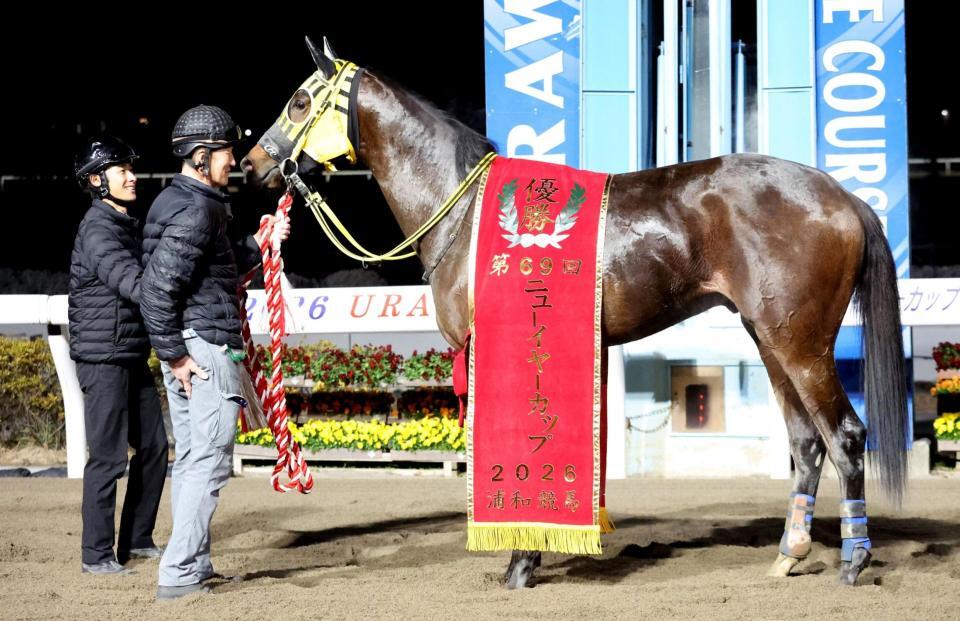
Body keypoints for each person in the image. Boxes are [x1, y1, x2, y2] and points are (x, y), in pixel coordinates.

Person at [139, 105, 288, 600]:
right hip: (203, 349)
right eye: (227, 151)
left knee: (192, 462)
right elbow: (157, 290)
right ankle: (180, 573)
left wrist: (262, 241)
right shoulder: (199, 208)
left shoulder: (185, 203)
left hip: (189, 344)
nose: (235, 160)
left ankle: (193, 565)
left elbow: (212, 269)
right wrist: (178, 357)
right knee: (209, 463)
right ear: (202, 157)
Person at [69, 136, 169, 575]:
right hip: (102, 359)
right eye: (120, 169)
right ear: (96, 180)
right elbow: (134, 283)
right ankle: (95, 554)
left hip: (127, 354)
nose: (132, 176)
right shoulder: (97, 228)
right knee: (109, 457)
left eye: (131, 167)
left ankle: (137, 538)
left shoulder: (127, 223)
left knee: (153, 448)